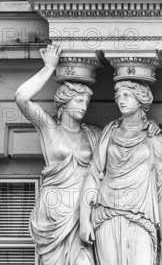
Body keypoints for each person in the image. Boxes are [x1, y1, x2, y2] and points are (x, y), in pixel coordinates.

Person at [14, 44, 99, 265]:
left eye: (87, 102)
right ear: (64, 102)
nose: (84, 106)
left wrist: (152, 128)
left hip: (82, 211)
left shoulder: (94, 134)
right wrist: (49, 67)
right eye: (79, 100)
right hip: (53, 213)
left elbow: (122, 138)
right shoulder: (49, 128)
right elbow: (22, 98)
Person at [79, 80, 162, 265]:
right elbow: (93, 174)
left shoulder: (154, 138)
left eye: (127, 95)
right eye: (118, 96)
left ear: (140, 100)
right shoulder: (110, 132)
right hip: (107, 211)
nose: (121, 101)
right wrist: (84, 219)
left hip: (141, 215)